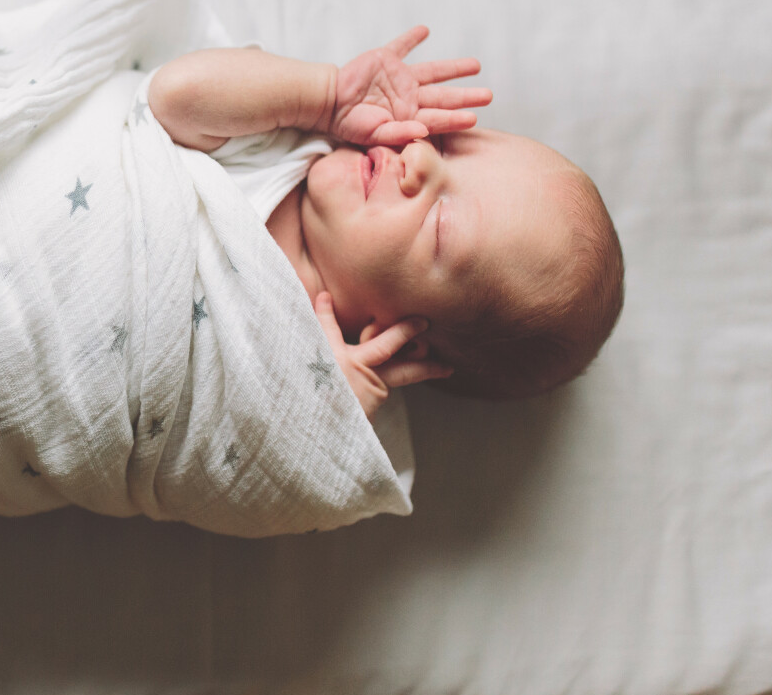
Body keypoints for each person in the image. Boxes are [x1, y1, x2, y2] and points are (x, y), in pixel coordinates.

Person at [146, 25, 625, 415]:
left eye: (440, 220)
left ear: (403, 345)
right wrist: (326, 97)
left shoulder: (308, 377)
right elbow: (172, 96)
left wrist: (321, 417)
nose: (419, 156)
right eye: (444, 144)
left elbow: (226, 478)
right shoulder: (281, 138)